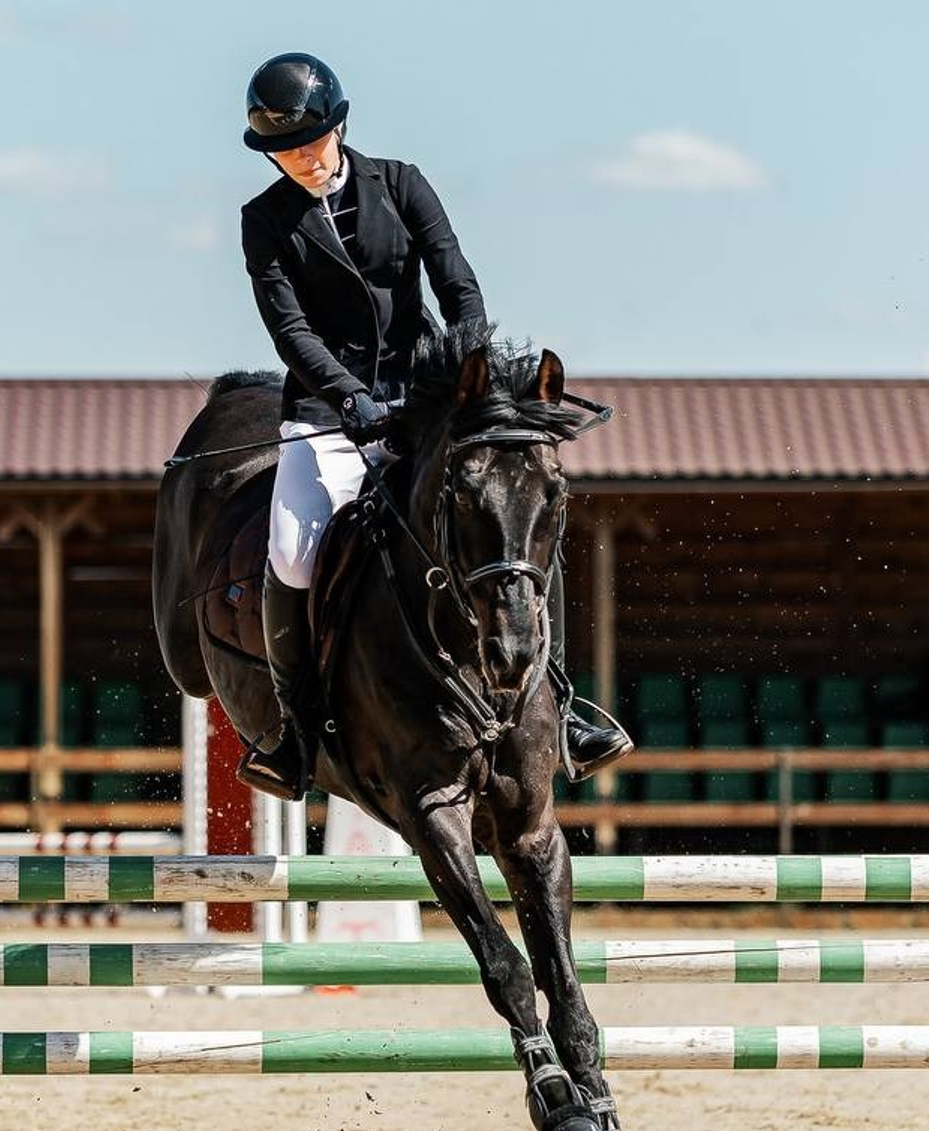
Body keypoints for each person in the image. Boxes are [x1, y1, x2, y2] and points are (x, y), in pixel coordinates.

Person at [236, 51, 632, 799]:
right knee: (292, 552)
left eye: (311, 145)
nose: (302, 161)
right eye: (286, 152)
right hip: (328, 412)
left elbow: (456, 282)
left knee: (510, 526)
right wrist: (350, 398)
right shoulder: (264, 221)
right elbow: (290, 329)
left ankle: (567, 705)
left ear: (340, 127)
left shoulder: (402, 184)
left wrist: (469, 378)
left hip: (424, 402)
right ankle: (297, 730)